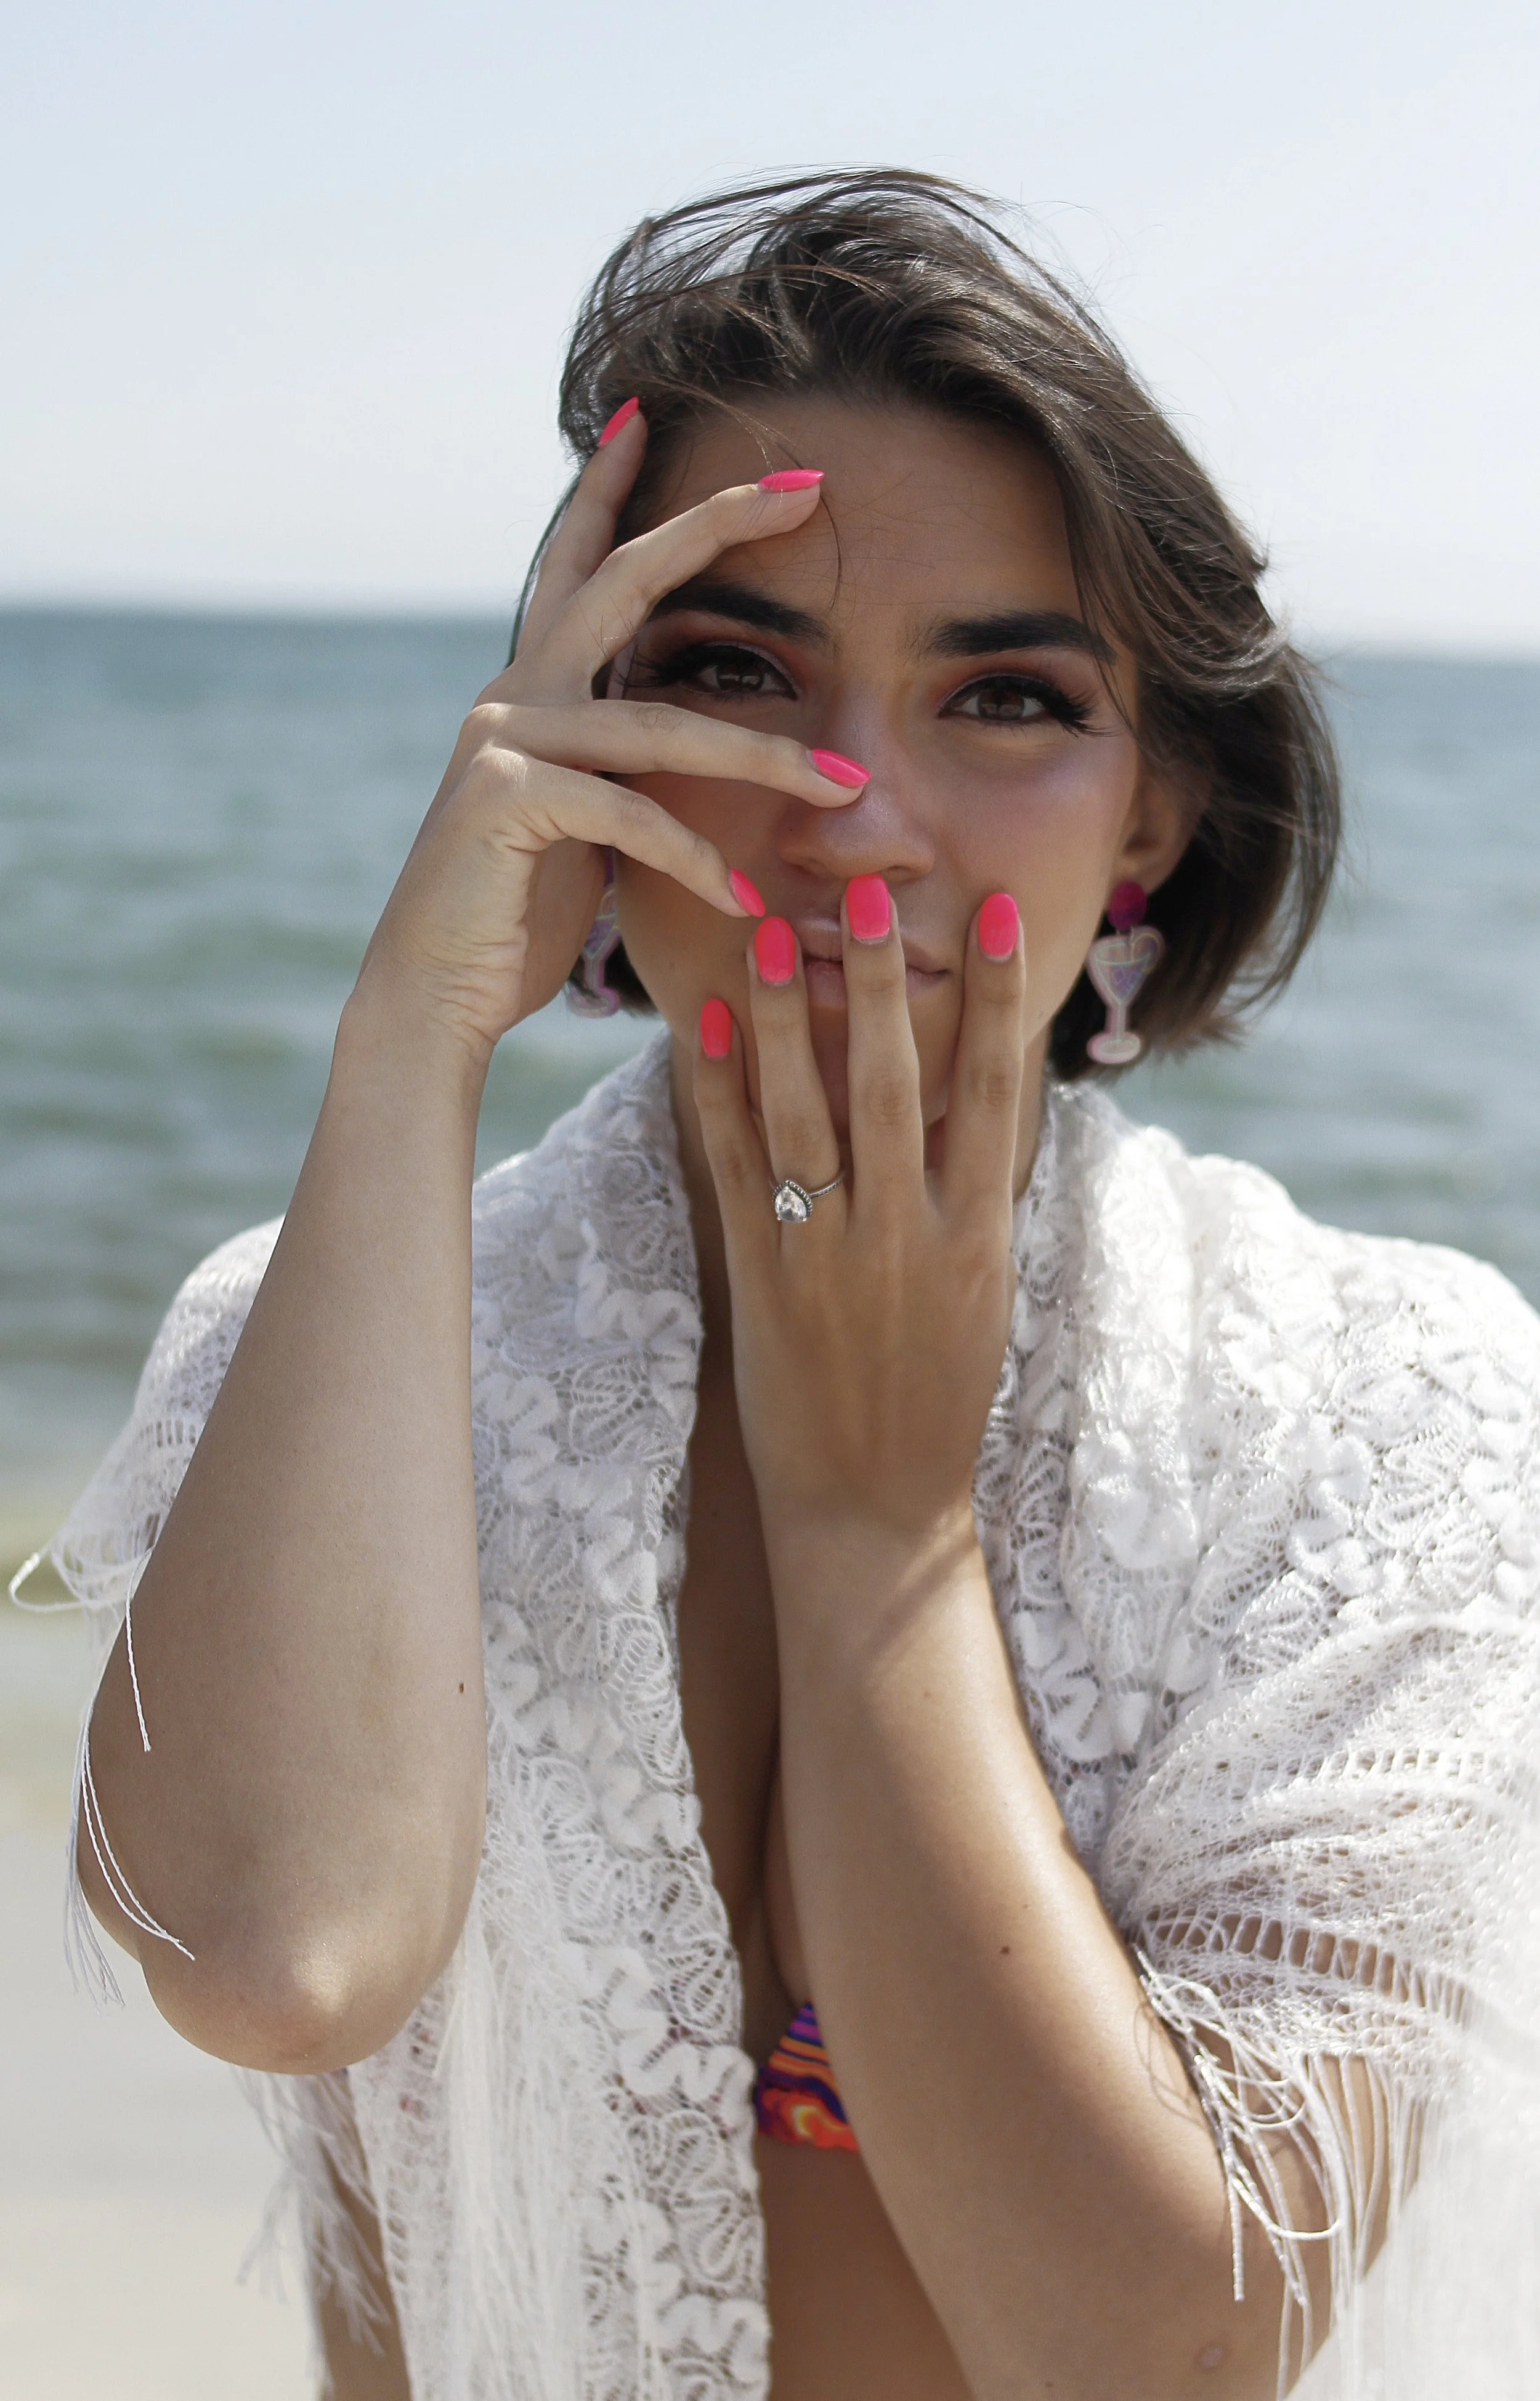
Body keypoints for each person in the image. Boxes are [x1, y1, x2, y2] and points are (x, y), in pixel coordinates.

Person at [36, 171, 1540, 2401]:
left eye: (1008, 696)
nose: (857, 822)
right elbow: (274, 1954)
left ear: (1148, 816)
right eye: (730, 678)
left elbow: (1157, 2350)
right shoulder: (338, 1342)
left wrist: (880, 1546)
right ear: (563, 741)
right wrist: (408, 1040)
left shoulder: (1380, 1405)